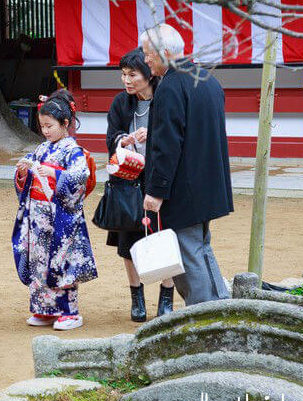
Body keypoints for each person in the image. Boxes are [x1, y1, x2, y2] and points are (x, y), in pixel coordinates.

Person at [141, 23, 232, 305]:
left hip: (185, 186)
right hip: (209, 182)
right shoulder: (207, 79)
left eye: (148, 55)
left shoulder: (170, 87)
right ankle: (219, 305)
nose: (145, 60)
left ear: (165, 53)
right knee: (201, 248)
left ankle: (203, 316)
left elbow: (166, 145)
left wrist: (156, 191)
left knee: (188, 252)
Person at [12, 89, 97, 331]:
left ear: (65, 123)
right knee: (39, 260)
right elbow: (27, 175)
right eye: (43, 126)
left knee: (61, 260)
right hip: (38, 214)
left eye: (50, 126)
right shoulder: (41, 149)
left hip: (61, 215)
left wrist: (54, 173)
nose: (45, 131)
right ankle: (44, 309)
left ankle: (69, 311)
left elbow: (81, 176)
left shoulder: (73, 151)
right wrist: (22, 172)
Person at [105, 48, 175, 322]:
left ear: (147, 74)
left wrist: (153, 136)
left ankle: (166, 296)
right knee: (129, 239)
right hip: (128, 179)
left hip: (159, 179)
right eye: (123, 74)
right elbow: (111, 137)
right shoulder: (121, 104)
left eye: (132, 74)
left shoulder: (165, 98)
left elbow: (175, 135)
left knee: (164, 236)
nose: (126, 80)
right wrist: (126, 139)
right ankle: (136, 297)